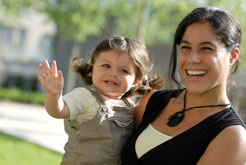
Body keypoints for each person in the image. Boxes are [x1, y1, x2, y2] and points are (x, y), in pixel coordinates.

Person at [121, 7, 246, 165]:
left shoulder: (232, 136)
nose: (193, 59)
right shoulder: (151, 101)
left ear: (233, 56)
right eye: (186, 48)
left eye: (206, 49)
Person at [36, 36, 164, 164]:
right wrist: (54, 95)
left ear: (136, 80)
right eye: (106, 66)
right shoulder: (85, 97)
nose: (113, 73)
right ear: (92, 68)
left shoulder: (129, 106)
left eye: (123, 70)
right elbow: (58, 111)